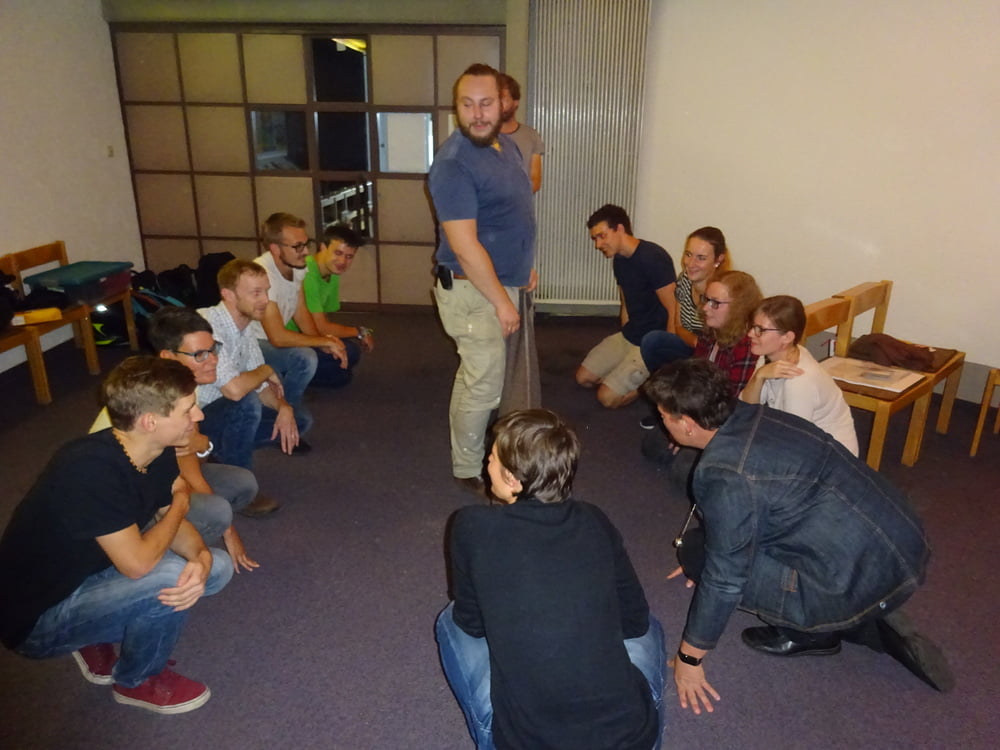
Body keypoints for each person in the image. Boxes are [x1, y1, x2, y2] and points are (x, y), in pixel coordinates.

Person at [642, 359, 954, 716]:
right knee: (708, 546)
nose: (661, 423)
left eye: (663, 416)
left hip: (842, 580)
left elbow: (725, 579)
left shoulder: (726, 473)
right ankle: (869, 601)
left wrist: (689, 658)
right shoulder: (760, 416)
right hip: (902, 541)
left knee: (701, 555)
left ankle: (818, 633)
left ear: (687, 422)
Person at [0, 357, 233, 714]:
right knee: (171, 578)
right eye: (188, 410)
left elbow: (165, 519)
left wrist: (200, 556)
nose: (198, 416)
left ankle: (98, 629)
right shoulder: (88, 470)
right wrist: (180, 504)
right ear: (150, 421)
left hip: (88, 573)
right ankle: (137, 682)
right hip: (35, 619)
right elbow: (138, 564)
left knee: (215, 567)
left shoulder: (155, 449)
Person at [435, 410, 666, 750]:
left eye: (492, 457)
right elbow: (634, 622)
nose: (486, 462)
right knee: (649, 624)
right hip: (633, 739)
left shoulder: (471, 525)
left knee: (448, 619)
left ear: (513, 479)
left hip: (526, 742)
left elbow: (471, 622)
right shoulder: (594, 519)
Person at [429, 62, 537, 494]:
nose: (477, 114)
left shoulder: (504, 146)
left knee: (484, 378)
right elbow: (465, 246)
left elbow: (512, 211)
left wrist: (523, 265)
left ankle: (475, 454)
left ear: (503, 104)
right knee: (484, 386)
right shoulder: (453, 164)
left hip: (500, 282)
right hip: (473, 290)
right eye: (467, 104)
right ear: (456, 107)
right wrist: (501, 302)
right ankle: (467, 467)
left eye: (486, 103)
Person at [149, 304, 278, 525]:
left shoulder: (185, 386)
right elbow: (189, 473)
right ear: (168, 357)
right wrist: (230, 534)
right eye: (199, 354)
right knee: (215, 511)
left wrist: (203, 445)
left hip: (174, 471)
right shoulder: (161, 399)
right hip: (143, 489)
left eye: (213, 349)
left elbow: (195, 457)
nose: (214, 360)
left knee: (243, 482)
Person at [198, 258, 312, 468]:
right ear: (228, 295)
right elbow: (234, 390)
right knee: (246, 403)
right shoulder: (207, 326)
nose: (265, 300)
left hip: (227, 409)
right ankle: (238, 472)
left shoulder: (246, 326)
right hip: (197, 419)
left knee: (299, 419)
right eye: (256, 293)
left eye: (266, 291)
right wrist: (266, 370)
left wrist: (283, 407)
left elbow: (261, 386)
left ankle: (219, 448)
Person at [641, 270, 762, 464]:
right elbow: (695, 380)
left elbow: (729, 405)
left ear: (739, 308)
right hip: (701, 406)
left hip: (721, 421)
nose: (705, 308)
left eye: (715, 303)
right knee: (653, 445)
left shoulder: (747, 346)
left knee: (685, 468)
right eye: (706, 299)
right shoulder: (711, 329)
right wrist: (682, 420)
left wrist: (690, 430)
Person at [576, 204, 676, 408]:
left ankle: (651, 382)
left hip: (651, 342)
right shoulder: (619, 261)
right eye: (595, 239)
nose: (598, 244)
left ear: (620, 229)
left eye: (602, 236)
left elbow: (674, 308)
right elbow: (626, 302)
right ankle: (627, 372)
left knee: (607, 398)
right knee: (583, 378)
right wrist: (624, 338)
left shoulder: (653, 258)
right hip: (632, 334)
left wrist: (667, 357)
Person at [739, 295, 859, 455]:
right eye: (752, 326)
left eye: (760, 330)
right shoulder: (769, 355)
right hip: (799, 443)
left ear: (787, 337)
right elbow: (747, 408)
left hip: (830, 457)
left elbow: (794, 442)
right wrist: (759, 376)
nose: (750, 334)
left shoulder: (799, 382)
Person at [251, 212, 353, 394]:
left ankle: (279, 380)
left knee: (345, 351)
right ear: (275, 249)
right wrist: (320, 341)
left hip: (275, 341)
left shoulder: (297, 266)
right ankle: (285, 403)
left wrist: (323, 343)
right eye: (298, 246)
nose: (306, 252)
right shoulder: (262, 274)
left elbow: (301, 312)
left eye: (306, 244)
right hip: (252, 344)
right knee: (306, 358)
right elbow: (277, 337)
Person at [639, 227, 731, 376]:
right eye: (688, 254)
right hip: (692, 345)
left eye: (701, 258)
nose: (691, 263)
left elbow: (720, 344)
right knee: (654, 341)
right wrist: (694, 342)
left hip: (715, 356)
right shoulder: (684, 279)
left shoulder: (723, 291)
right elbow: (677, 326)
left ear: (718, 260)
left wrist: (697, 344)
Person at [300, 223, 375, 359]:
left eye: (349, 256)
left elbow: (324, 317)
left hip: (309, 334)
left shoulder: (333, 273)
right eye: (338, 253)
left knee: (347, 350)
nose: (342, 261)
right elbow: (321, 326)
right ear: (323, 248)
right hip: (292, 337)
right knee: (347, 352)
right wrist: (359, 331)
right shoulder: (308, 273)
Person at [497, 73, 544, 193]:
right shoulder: (482, 137)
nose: (499, 105)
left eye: (503, 99)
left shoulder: (531, 135)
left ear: (516, 102)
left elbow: (535, 181)